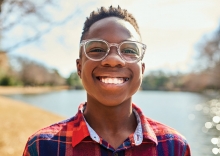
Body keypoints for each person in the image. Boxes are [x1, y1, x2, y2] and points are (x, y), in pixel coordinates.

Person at [23, 6, 191, 156]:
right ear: (79, 68)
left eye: (129, 49)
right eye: (96, 49)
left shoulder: (174, 146)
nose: (113, 59)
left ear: (142, 69)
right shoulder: (42, 147)